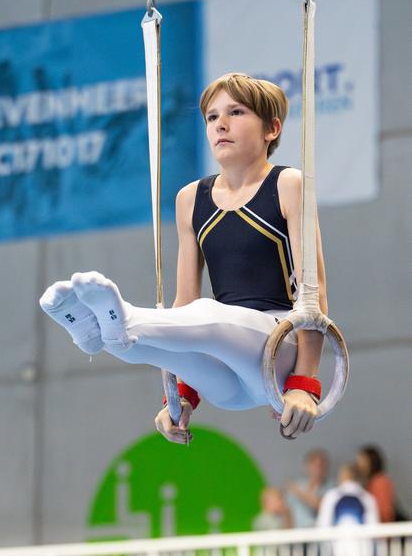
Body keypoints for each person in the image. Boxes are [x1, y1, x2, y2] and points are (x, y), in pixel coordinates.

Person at [40, 73, 328, 442]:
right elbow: (184, 304)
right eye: (211, 116)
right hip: (226, 377)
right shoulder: (191, 199)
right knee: (147, 343)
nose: (220, 124)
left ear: (272, 128)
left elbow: (313, 293)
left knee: (206, 314)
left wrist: (305, 383)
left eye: (236, 112)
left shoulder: (289, 184)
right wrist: (180, 396)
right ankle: (98, 333)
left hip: (278, 350)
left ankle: (123, 318)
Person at [316, 464, 379, 556]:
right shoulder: (368, 498)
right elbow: (374, 529)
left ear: (342, 476)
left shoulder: (332, 496)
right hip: (363, 550)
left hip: (338, 549)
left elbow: (322, 528)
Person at [286, 449, 333, 527]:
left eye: (322, 465)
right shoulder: (299, 484)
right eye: (315, 465)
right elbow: (288, 511)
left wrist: (299, 493)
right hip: (297, 535)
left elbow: (323, 506)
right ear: (307, 466)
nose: (319, 469)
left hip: (320, 534)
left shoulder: (331, 486)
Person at [355, 446, 396, 523]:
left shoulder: (381, 482)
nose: (359, 465)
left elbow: (385, 513)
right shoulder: (366, 483)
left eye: (362, 461)